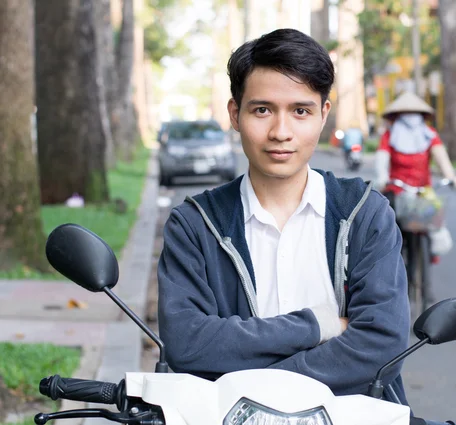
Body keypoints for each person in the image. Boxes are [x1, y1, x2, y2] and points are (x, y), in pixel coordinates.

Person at [157, 28, 411, 407]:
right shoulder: (195, 225)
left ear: (323, 115)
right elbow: (187, 344)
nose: (280, 132)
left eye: (300, 111)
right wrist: (320, 325)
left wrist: (259, 382)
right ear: (235, 114)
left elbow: (382, 343)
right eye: (262, 110)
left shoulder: (363, 213)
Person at [374, 91, 456, 266]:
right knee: (387, 229)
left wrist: (451, 176)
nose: (410, 120)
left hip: (424, 191)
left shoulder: (429, 134)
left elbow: (441, 157)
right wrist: (381, 178)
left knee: (435, 217)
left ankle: (431, 253)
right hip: (397, 190)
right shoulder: (389, 136)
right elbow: (381, 160)